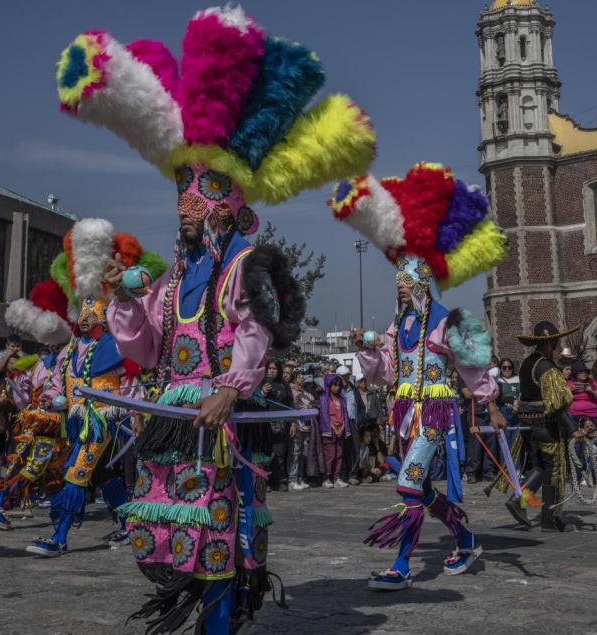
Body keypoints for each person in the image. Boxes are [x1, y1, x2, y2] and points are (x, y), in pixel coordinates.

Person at [67, 7, 375, 629]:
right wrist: (125, 302)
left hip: (218, 422)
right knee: (168, 533)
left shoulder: (244, 265)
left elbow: (256, 331)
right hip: (174, 422)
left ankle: (220, 623)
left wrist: (232, 389)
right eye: (181, 198)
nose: (183, 211)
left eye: (196, 201)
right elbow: (146, 347)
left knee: (217, 539)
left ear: (224, 211)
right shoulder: (175, 276)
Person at [332, 161, 506, 591]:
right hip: (404, 411)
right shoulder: (400, 326)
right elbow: (387, 370)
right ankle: (464, 537)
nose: (400, 288)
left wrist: (491, 401)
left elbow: (472, 364)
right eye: (398, 282)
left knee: (408, 486)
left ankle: (402, 566)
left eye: (406, 282)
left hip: (433, 413)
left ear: (423, 283)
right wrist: (370, 349)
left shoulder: (444, 321)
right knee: (420, 486)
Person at [25, 220, 158, 557]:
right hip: (76, 419)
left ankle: (59, 535)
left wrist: (133, 412)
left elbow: (131, 382)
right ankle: (129, 525)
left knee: (76, 474)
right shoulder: (71, 348)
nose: (85, 320)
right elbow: (60, 379)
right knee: (101, 476)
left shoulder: (115, 347)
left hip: (101, 421)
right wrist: (51, 398)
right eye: (83, 314)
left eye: (92, 314)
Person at [0, 276, 74, 528]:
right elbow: (27, 393)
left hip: (43, 420)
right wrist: (51, 402)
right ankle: (0, 499)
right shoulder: (54, 361)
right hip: (45, 422)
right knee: (36, 465)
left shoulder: (45, 361)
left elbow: (21, 395)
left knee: (52, 467)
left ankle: (58, 511)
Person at [506, 321, 578, 532]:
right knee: (555, 470)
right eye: (555, 342)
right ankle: (549, 520)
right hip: (547, 427)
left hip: (530, 426)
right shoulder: (546, 366)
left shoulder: (527, 363)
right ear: (551, 343)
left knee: (540, 467)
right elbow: (557, 404)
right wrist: (573, 429)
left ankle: (520, 501)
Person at [319, 373, 351, 488]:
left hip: (340, 430)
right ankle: (326, 478)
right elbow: (324, 415)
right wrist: (332, 427)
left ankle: (337, 478)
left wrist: (343, 428)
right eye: (334, 385)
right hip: (330, 431)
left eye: (338, 386)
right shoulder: (324, 398)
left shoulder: (341, 399)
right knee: (330, 455)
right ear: (329, 385)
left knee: (339, 455)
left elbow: (344, 415)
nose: (337, 388)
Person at [263, 360, 290, 492]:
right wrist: (262, 392)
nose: (272, 370)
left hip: (281, 423)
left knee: (279, 453)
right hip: (264, 424)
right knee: (266, 453)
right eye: (269, 368)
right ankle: (265, 481)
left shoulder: (284, 385)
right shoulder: (260, 383)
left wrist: (293, 423)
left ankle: (280, 481)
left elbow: (290, 405)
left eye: (274, 368)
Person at [288, 371, 313, 491]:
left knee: (304, 453)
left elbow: (312, 400)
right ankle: (292, 479)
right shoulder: (292, 390)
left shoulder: (305, 392)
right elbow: (292, 403)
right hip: (297, 425)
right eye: (299, 377)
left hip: (306, 426)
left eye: (303, 377)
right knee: (295, 453)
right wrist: (297, 391)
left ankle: (300, 478)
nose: (302, 379)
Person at [567, 360, 597, 425]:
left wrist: (592, 391)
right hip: (575, 414)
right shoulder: (569, 383)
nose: (584, 373)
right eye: (581, 372)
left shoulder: (593, 383)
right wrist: (570, 390)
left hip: (592, 415)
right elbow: (561, 400)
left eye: (585, 372)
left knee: (596, 434)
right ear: (575, 373)